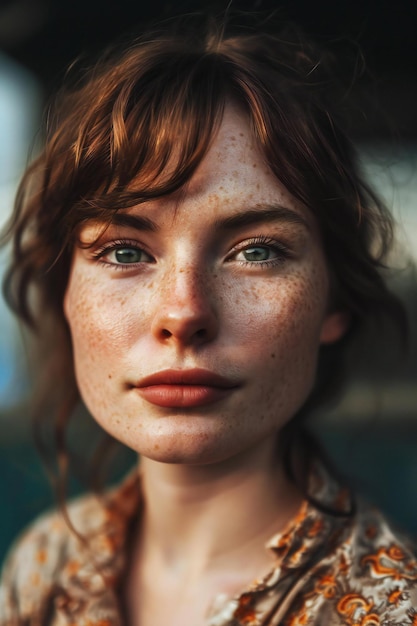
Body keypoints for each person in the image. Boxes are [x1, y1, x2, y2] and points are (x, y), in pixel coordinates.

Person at [0, 13, 416, 626]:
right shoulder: (44, 563)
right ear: (65, 292)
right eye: (124, 251)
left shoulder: (388, 611)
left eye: (257, 251)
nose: (184, 311)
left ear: (335, 301)